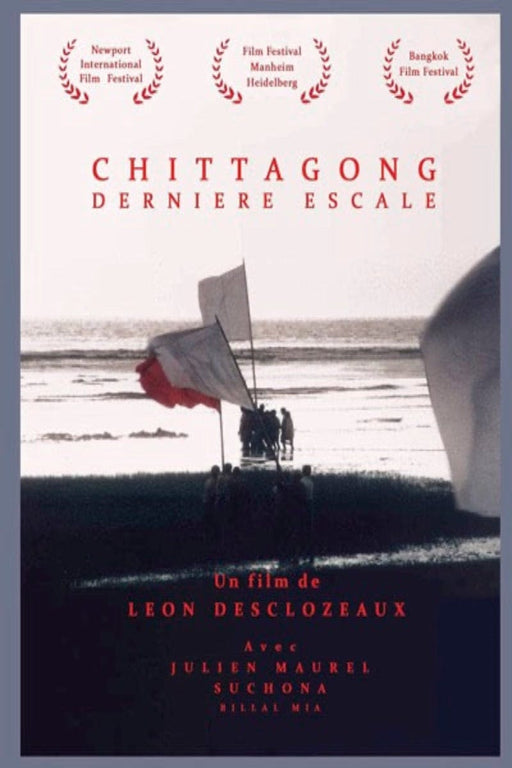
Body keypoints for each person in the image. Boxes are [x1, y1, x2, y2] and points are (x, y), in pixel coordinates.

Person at [203, 465, 220, 547]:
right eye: (217, 471)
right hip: (210, 503)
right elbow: (212, 494)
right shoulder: (212, 482)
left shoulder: (209, 481)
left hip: (209, 503)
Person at [300, 465, 314, 562]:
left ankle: (303, 551)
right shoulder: (311, 482)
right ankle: (309, 551)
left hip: (303, 505)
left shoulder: (302, 482)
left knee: (302, 527)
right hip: (310, 504)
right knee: (308, 528)